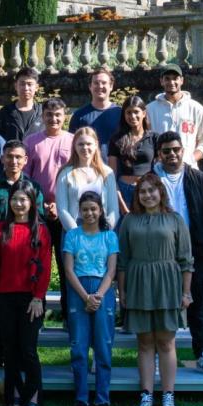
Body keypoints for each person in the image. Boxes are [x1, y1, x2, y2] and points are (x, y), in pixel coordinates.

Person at [118, 172, 194, 406]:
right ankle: (147, 396)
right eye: (143, 192)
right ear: (137, 196)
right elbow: (122, 260)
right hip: (139, 283)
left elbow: (186, 260)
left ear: (161, 192)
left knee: (166, 342)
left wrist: (186, 293)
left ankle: (168, 396)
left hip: (167, 285)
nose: (147, 195)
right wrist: (123, 291)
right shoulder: (129, 221)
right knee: (145, 343)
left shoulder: (174, 220)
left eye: (152, 190)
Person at [153, 131, 203, 377]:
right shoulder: (151, 181)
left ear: (183, 150)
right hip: (161, 253)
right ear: (158, 154)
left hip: (197, 251)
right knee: (163, 305)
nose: (172, 155)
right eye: (166, 151)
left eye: (175, 149)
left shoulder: (199, 179)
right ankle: (161, 357)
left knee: (198, 303)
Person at [0, 139, 46, 372]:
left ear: (25, 160)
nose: (13, 161)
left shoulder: (33, 188)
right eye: (9, 156)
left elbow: (40, 219)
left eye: (18, 157)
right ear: (2, 158)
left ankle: (23, 359)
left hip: (26, 254)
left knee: (23, 313)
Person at [0, 180, 51, 406]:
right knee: (9, 350)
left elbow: (44, 266)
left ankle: (32, 396)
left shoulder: (41, 230)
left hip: (30, 299)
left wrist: (38, 297)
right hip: (4, 297)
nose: (18, 204)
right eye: (14, 199)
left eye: (23, 199)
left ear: (32, 202)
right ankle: (12, 395)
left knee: (28, 349)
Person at [55, 127, 120, 322]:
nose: (85, 148)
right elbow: (62, 208)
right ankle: (73, 323)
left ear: (96, 146)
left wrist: (103, 232)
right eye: (81, 143)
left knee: (102, 277)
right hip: (73, 234)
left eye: (89, 144)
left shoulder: (106, 173)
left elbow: (113, 209)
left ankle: (102, 321)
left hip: (101, 236)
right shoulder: (66, 173)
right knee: (73, 280)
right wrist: (78, 235)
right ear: (74, 146)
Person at [62, 192, 118, 406]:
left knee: (103, 346)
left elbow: (112, 269)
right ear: (79, 211)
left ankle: (103, 398)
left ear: (101, 210)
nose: (89, 213)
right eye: (85, 209)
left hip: (103, 291)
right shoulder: (72, 236)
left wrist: (98, 296)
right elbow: (68, 269)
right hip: (79, 290)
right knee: (79, 346)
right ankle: (82, 398)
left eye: (93, 208)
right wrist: (86, 297)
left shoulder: (109, 236)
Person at [23, 97, 73, 326]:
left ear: (65, 117)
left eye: (58, 115)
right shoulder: (32, 142)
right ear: (42, 117)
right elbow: (26, 179)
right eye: (49, 115)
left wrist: (60, 205)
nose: (53, 119)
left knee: (66, 264)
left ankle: (68, 313)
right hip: (38, 212)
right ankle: (37, 313)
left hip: (66, 212)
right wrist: (41, 204)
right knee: (37, 263)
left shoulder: (73, 141)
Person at [146, 64, 203, 169]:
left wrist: (191, 159)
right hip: (160, 171)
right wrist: (155, 158)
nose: (171, 82)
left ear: (182, 80)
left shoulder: (196, 108)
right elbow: (144, 139)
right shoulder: (150, 110)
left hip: (189, 170)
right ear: (161, 81)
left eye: (175, 78)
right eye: (167, 79)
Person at [109, 95, 157, 215]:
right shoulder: (117, 139)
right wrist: (121, 204)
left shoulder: (154, 138)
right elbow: (110, 176)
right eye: (128, 112)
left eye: (136, 112)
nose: (132, 116)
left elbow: (160, 170)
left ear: (144, 113)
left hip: (148, 191)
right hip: (124, 190)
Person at [67, 67, 122, 161]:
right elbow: (71, 146)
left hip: (116, 171)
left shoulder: (121, 113)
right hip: (87, 171)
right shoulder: (79, 115)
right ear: (90, 86)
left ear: (111, 86)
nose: (100, 86)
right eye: (96, 83)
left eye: (104, 83)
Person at [0, 67, 43, 142]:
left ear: (36, 87)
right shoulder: (5, 113)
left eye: (29, 84)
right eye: (22, 84)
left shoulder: (43, 113)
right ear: (16, 86)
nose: (26, 88)